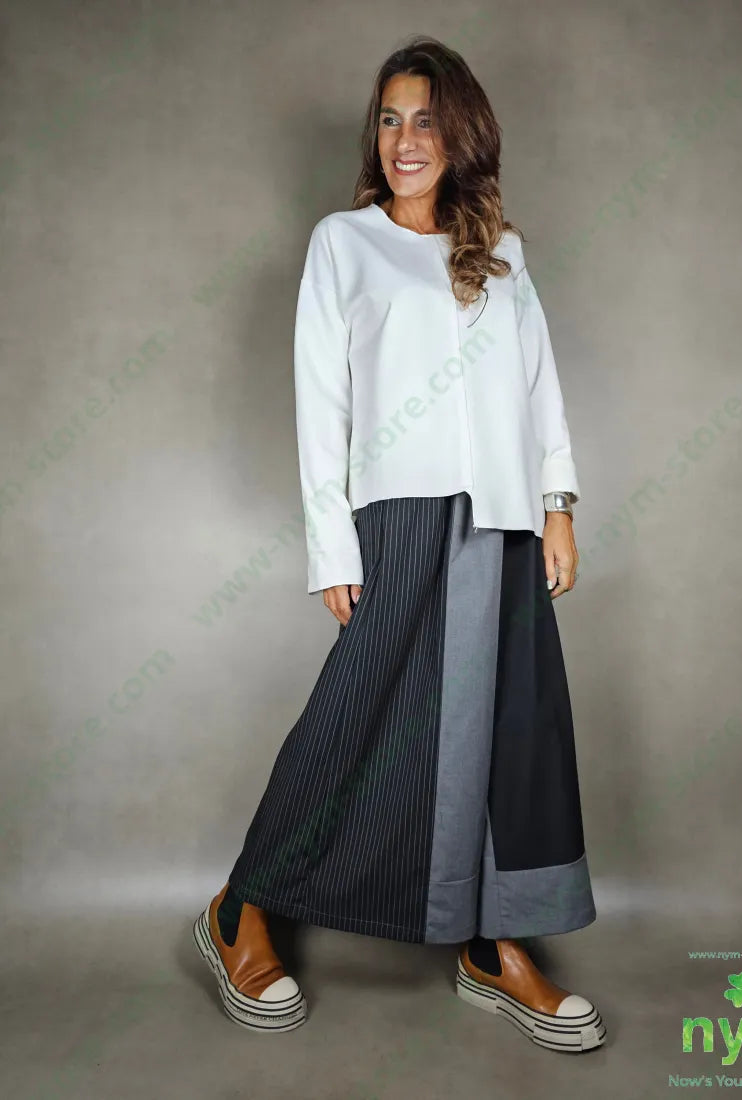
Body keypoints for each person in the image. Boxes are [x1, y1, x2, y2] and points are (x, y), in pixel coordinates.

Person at [193, 34, 606, 1052]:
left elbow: (538, 383)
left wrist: (557, 502)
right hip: (399, 514)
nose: (404, 139)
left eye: (424, 120)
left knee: (508, 731)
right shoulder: (345, 243)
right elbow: (320, 399)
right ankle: (241, 907)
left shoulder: (503, 250)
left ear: (459, 133)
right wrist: (332, 544)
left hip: (504, 518)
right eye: (389, 119)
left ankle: (491, 941)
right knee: (359, 716)